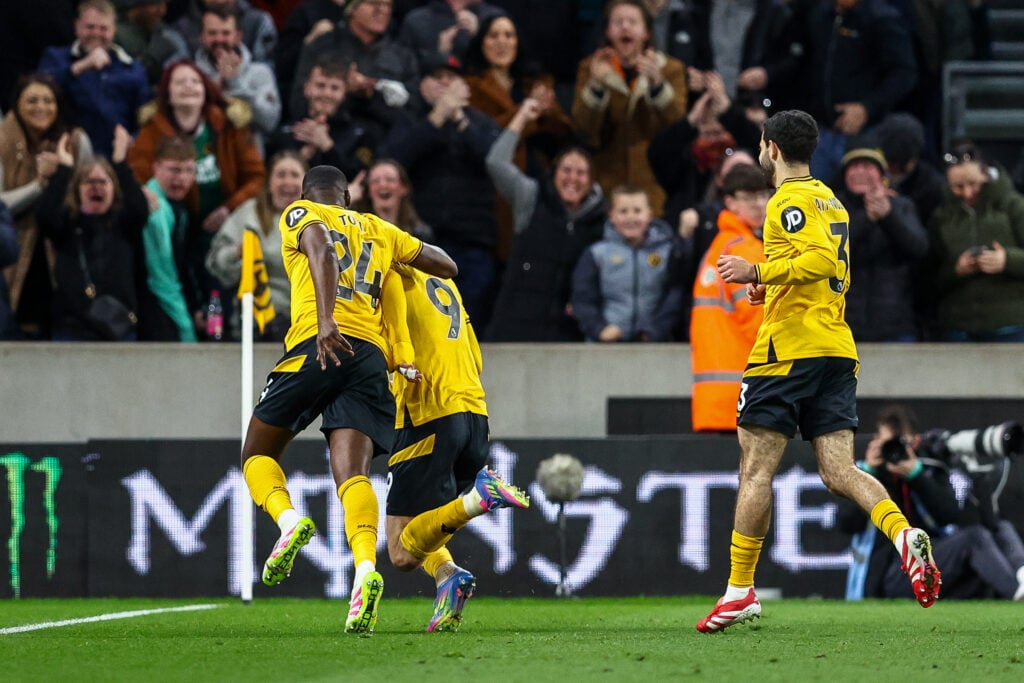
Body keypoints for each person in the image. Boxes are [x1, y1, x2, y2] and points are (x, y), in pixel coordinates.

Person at [697, 109, 940, 633]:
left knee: (756, 470)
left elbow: (822, 260)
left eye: (762, 146)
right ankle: (902, 535)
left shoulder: (789, 199)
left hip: (788, 353)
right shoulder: (830, 199)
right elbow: (819, 265)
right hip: (834, 349)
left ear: (771, 148)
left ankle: (739, 591)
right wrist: (773, 287)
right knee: (838, 472)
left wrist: (755, 270)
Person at [240, 165, 456, 635]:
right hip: (371, 361)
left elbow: (320, 249)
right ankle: (363, 572)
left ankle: (290, 521)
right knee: (354, 476)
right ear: (349, 195)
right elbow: (445, 265)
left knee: (256, 453)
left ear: (305, 194)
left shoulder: (300, 213)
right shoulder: (381, 229)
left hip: (319, 344)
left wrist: (324, 321)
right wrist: (400, 257)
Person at [382, 263, 530, 632]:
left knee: (400, 551)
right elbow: (476, 358)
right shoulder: (445, 284)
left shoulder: (386, 275)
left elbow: (388, 346)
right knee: (420, 528)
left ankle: (477, 499)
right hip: (474, 414)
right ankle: (448, 576)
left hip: (427, 410)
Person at [839, 405, 1024, 602]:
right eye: (887, 444)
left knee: (996, 531)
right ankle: (1016, 593)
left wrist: (916, 476)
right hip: (891, 573)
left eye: (899, 444)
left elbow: (948, 515)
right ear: (876, 442)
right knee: (975, 538)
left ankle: (1020, 578)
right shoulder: (865, 476)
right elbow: (846, 522)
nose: (894, 451)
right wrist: (869, 472)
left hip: (928, 562)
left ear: (915, 442)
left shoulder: (929, 468)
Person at [128, 59, 265, 321]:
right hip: (173, 229)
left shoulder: (227, 126)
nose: (188, 87)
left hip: (221, 228)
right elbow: (138, 175)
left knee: (217, 301)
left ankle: (219, 333)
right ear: (167, 92)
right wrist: (145, 192)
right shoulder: (152, 129)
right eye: (180, 82)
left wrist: (228, 208)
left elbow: (257, 176)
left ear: (206, 90)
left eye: (194, 81)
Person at [484, 97, 606, 342]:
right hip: (514, 326)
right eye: (566, 170)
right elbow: (496, 163)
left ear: (591, 181)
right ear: (554, 173)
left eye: (581, 173)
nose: (573, 178)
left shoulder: (603, 220)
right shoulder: (531, 196)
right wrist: (523, 116)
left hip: (567, 334)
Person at [571, 0, 688, 216]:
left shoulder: (671, 69)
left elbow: (678, 127)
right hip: (606, 188)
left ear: (645, 31)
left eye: (632, 22)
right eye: (618, 22)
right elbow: (583, 130)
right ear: (607, 31)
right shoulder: (590, 68)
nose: (625, 27)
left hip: (655, 187)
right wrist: (596, 87)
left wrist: (658, 86)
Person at [0, 73, 93, 340]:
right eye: (32, 100)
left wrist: (63, 174)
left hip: (63, 255)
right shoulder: (2, 140)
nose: (41, 107)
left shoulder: (75, 141)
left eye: (48, 100)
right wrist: (40, 186)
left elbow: (87, 203)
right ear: (16, 104)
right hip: (13, 257)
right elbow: (0, 204)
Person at [36, 126, 149, 341]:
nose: (96, 188)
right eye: (89, 182)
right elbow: (45, 215)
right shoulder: (67, 225)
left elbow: (139, 208)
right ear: (77, 190)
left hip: (118, 325)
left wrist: (120, 162)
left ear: (113, 188)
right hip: (71, 327)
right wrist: (64, 169)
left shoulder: (124, 224)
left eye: (103, 182)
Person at [689, 164, 769, 433]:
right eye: (749, 197)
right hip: (746, 399)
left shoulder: (720, 246)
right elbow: (760, 323)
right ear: (730, 202)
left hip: (716, 401)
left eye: (763, 195)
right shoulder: (744, 250)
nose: (759, 204)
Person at [804, 0, 917, 185]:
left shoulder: (882, 18)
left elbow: (904, 74)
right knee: (813, 203)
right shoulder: (820, 14)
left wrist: (866, 108)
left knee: (863, 200)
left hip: (868, 132)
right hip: (819, 131)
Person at [927, 141, 1024, 343]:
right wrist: (957, 269)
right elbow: (931, 275)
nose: (968, 193)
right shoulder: (941, 217)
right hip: (959, 326)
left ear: (987, 175)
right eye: (958, 187)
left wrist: (1007, 260)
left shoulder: (1014, 206)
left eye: (974, 184)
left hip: (1011, 324)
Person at [206, 150, 307, 342]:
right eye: (280, 175)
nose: (287, 182)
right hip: (255, 327)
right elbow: (215, 264)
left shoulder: (321, 220)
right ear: (269, 183)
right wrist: (236, 252)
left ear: (306, 184)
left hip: (308, 326)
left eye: (295, 175)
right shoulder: (248, 214)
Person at [835, 147, 928, 343]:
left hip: (896, 323)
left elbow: (919, 249)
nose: (860, 171)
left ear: (881, 174)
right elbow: (832, 253)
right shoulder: (832, 207)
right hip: (844, 325)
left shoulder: (902, 206)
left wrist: (888, 217)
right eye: (854, 166)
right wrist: (867, 219)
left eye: (868, 166)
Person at [38, 0, 152, 158]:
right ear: (77, 26)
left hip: (118, 157)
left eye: (103, 28)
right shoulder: (56, 58)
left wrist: (133, 139)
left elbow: (145, 116)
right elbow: (38, 88)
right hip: (67, 153)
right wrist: (80, 66)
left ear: (114, 30)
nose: (96, 34)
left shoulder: (133, 69)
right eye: (90, 27)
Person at [571, 184, 682, 343]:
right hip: (605, 345)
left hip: (653, 346)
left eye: (637, 211)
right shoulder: (597, 254)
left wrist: (656, 331)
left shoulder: (668, 252)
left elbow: (674, 295)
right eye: (623, 211)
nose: (631, 217)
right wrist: (599, 329)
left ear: (649, 215)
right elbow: (582, 298)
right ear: (612, 215)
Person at [138, 135, 201, 342]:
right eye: (174, 170)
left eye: (188, 170)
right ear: (156, 167)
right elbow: (162, 274)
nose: (181, 178)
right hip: (151, 303)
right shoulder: (149, 205)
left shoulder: (181, 209)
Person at [193, 3, 281, 148]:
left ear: (238, 36)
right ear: (202, 37)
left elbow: (269, 122)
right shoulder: (191, 74)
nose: (219, 39)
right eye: (212, 33)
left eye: (226, 33)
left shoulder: (260, 73)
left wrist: (234, 83)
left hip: (249, 155)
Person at [349, 158, 435, 242]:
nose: (383, 185)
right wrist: (345, 199)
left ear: (404, 188)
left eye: (390, 179)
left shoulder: (420, 234)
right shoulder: (355, 230)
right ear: (368, 192)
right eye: (375, 181)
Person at [114, 0, 190, 85]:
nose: (162, 11)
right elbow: (123, 78)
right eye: (156, 5)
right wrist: (152, 59)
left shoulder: (164, 32)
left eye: (164, 4)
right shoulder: (115, 35)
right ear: (136, 7)